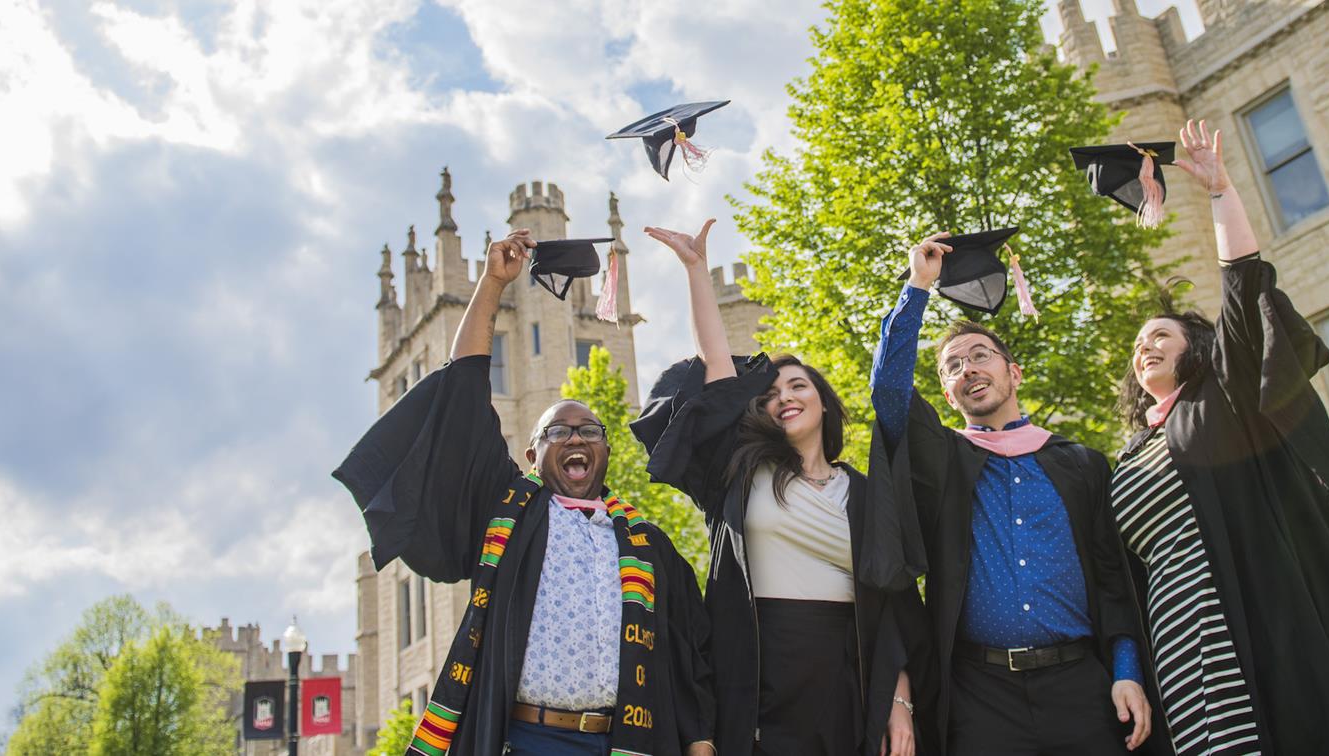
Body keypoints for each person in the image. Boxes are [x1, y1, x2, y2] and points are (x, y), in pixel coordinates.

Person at [1110, 120, 1329, 755]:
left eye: (1161, 335)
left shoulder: (1223, 401)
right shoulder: (1130, 452)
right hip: (1182, 648)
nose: (1145, 347)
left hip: (1261, 620)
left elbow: (1242, 298)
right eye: (1137, 344)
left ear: (1197, 351)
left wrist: (1222, 195)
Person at [333, 229, 715, 756]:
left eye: (589, 430)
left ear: (605, 451)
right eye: (558, 431)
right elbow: (465, 388)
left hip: (624, 741)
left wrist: (700, 743)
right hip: (530, 738)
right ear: (531, 457)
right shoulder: (510, 515)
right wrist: (492, 283)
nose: (576, 437)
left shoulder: (646, 545)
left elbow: (686, 649)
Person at [630, 219, 930, 756]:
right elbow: (720, 374)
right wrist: (696, 270)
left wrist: (899, 699)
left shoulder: (861, 494)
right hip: (755, 672)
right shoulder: (740, 474)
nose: (786, 396)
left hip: (846, 675)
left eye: (799, 385)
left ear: (822, 401)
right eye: (772, 392)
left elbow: (891, 606)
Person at [861, 231, 1155, 755]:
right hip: (980, 696)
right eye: (953, 367)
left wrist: (1127, 671)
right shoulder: (947, 459)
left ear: (1013, 372)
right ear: (949, 395)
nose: (968, 368)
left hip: (1082, 688)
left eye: (981, 355)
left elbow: (1116, 580)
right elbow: (889, 392)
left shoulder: (1080, 464)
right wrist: (918, 286)